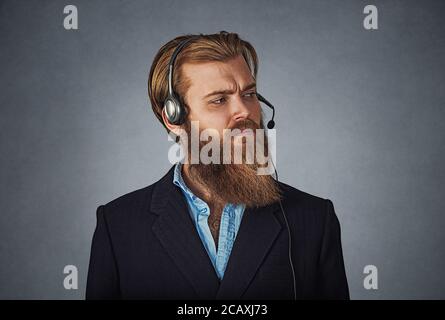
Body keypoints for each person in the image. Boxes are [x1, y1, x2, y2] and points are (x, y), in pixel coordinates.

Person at [86, 31, 349, 300]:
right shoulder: (118, 226)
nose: (245, 112)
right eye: (219, 100)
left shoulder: (315, 220)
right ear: (173, 118)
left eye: (249, 94)